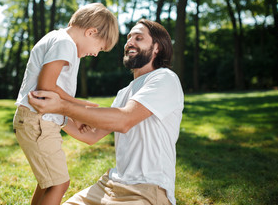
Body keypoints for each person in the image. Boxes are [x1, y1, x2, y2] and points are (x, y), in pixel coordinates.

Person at [28, 19, 184, 205]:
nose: (129, 42)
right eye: (129, 38)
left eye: (139, 38)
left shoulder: (164, 78)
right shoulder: (124, 93)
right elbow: (91, 136)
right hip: (109, 185)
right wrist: (54, 114)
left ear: (157, 48)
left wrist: (62, 106)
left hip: (146, 191)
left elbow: (124, 120)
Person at [13, 3, 119, 205]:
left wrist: (72, 116)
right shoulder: (66, 44)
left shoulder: (57, 38)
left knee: (49, 183)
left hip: (38, 121)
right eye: (100, 47)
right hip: (37, 122)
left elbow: (51, 91)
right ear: (91, 32)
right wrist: (80, 106)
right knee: (59, 184)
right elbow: (46, 87)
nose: (96, 53)